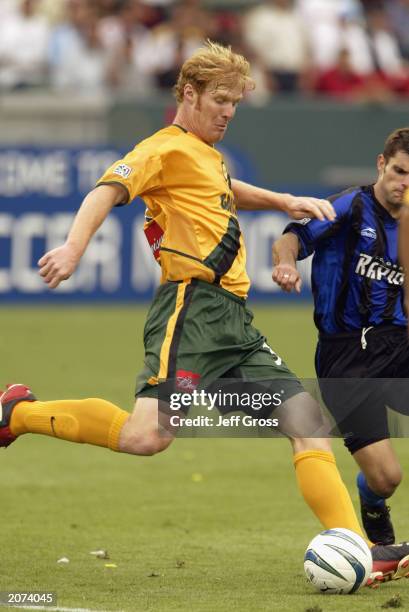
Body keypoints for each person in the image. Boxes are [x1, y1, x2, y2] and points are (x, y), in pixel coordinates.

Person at [0, 42, 407, 584]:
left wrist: (284, 201)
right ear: (187, 95)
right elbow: (105, 190)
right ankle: (18, 414)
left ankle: (355, 551)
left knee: (307, 423)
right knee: (148, 437)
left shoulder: (206, 153)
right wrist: (74, 248)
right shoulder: (162, 148)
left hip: (235, 323)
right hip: (190, 313)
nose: (228, 112)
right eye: (219, 99)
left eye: (235, 103)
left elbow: (224, 190)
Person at [273, 127, 409, 573]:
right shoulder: (351, 207)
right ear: (380, 165)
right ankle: (373, 505)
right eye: (399, 172)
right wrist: (286, 263)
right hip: (346, 358)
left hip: (400, 347)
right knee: (387, 478)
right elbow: (292, 235)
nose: (404, 184)